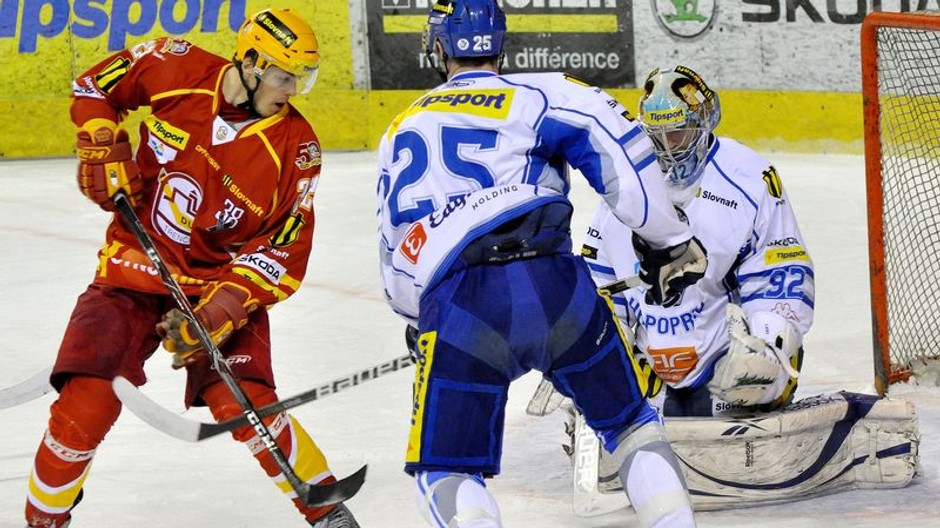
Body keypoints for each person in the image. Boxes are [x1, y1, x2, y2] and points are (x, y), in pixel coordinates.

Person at [24, 9, 358, 528]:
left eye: (300, 78)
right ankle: (43, 520)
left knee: (246, 404)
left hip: (214, 286)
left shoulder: (298, 148)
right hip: (135, 265)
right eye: (282, 75)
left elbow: (282, 248)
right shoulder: (172, 64)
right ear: (248, 62)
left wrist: (223, 308)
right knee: (85, 402)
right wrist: (98, 138)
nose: (291, 89)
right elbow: (94, 86)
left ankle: (327, 511)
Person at [376, 1, 706, 526]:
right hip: (557, 289)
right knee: (633, 428)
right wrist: (669, 240)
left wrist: (418, 320)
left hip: (462, 305)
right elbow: (620, 148)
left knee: (446, 472)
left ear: (437, 46)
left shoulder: (398, 129)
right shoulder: (540, 94)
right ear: (500, 45)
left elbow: (395, 247)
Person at [582, 65, 815, 419]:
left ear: (704, 120)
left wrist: (765, 344)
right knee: (598, 377)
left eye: (676, 131)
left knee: (762, 375)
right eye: (656, 134)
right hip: (651, 369)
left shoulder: (748, 177)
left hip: (730, 360)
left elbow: (781, 271)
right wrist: (590, 344)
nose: (666, 146)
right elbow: (600, 278)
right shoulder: (628, 182)